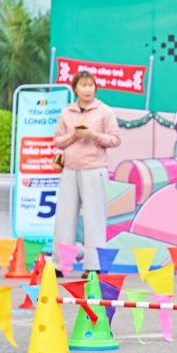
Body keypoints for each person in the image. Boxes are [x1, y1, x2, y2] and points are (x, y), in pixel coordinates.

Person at [52, 71, 122, 278]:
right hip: (70, 169)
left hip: (94, 168)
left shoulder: (104, 111)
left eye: (90, 85)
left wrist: (93, 135)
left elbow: (115, 139)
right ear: (75, 89)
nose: (87, 89)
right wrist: (74, 136)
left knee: (94, 218)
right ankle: (60, 264)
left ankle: (93, 265)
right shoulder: (66, 112)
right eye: (83, 85)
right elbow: (57, 141)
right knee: (64, 218)